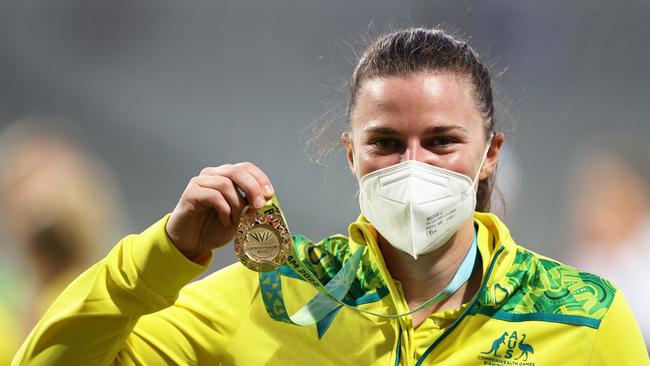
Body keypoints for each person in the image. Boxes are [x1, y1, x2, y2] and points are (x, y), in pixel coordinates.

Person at [13, 28, 648, 365]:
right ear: (351, 154)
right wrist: (163, 254)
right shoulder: (269, 295)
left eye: (443, 140)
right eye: (385, 142)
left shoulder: (584, 318)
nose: (413, 164)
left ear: (491, 153)